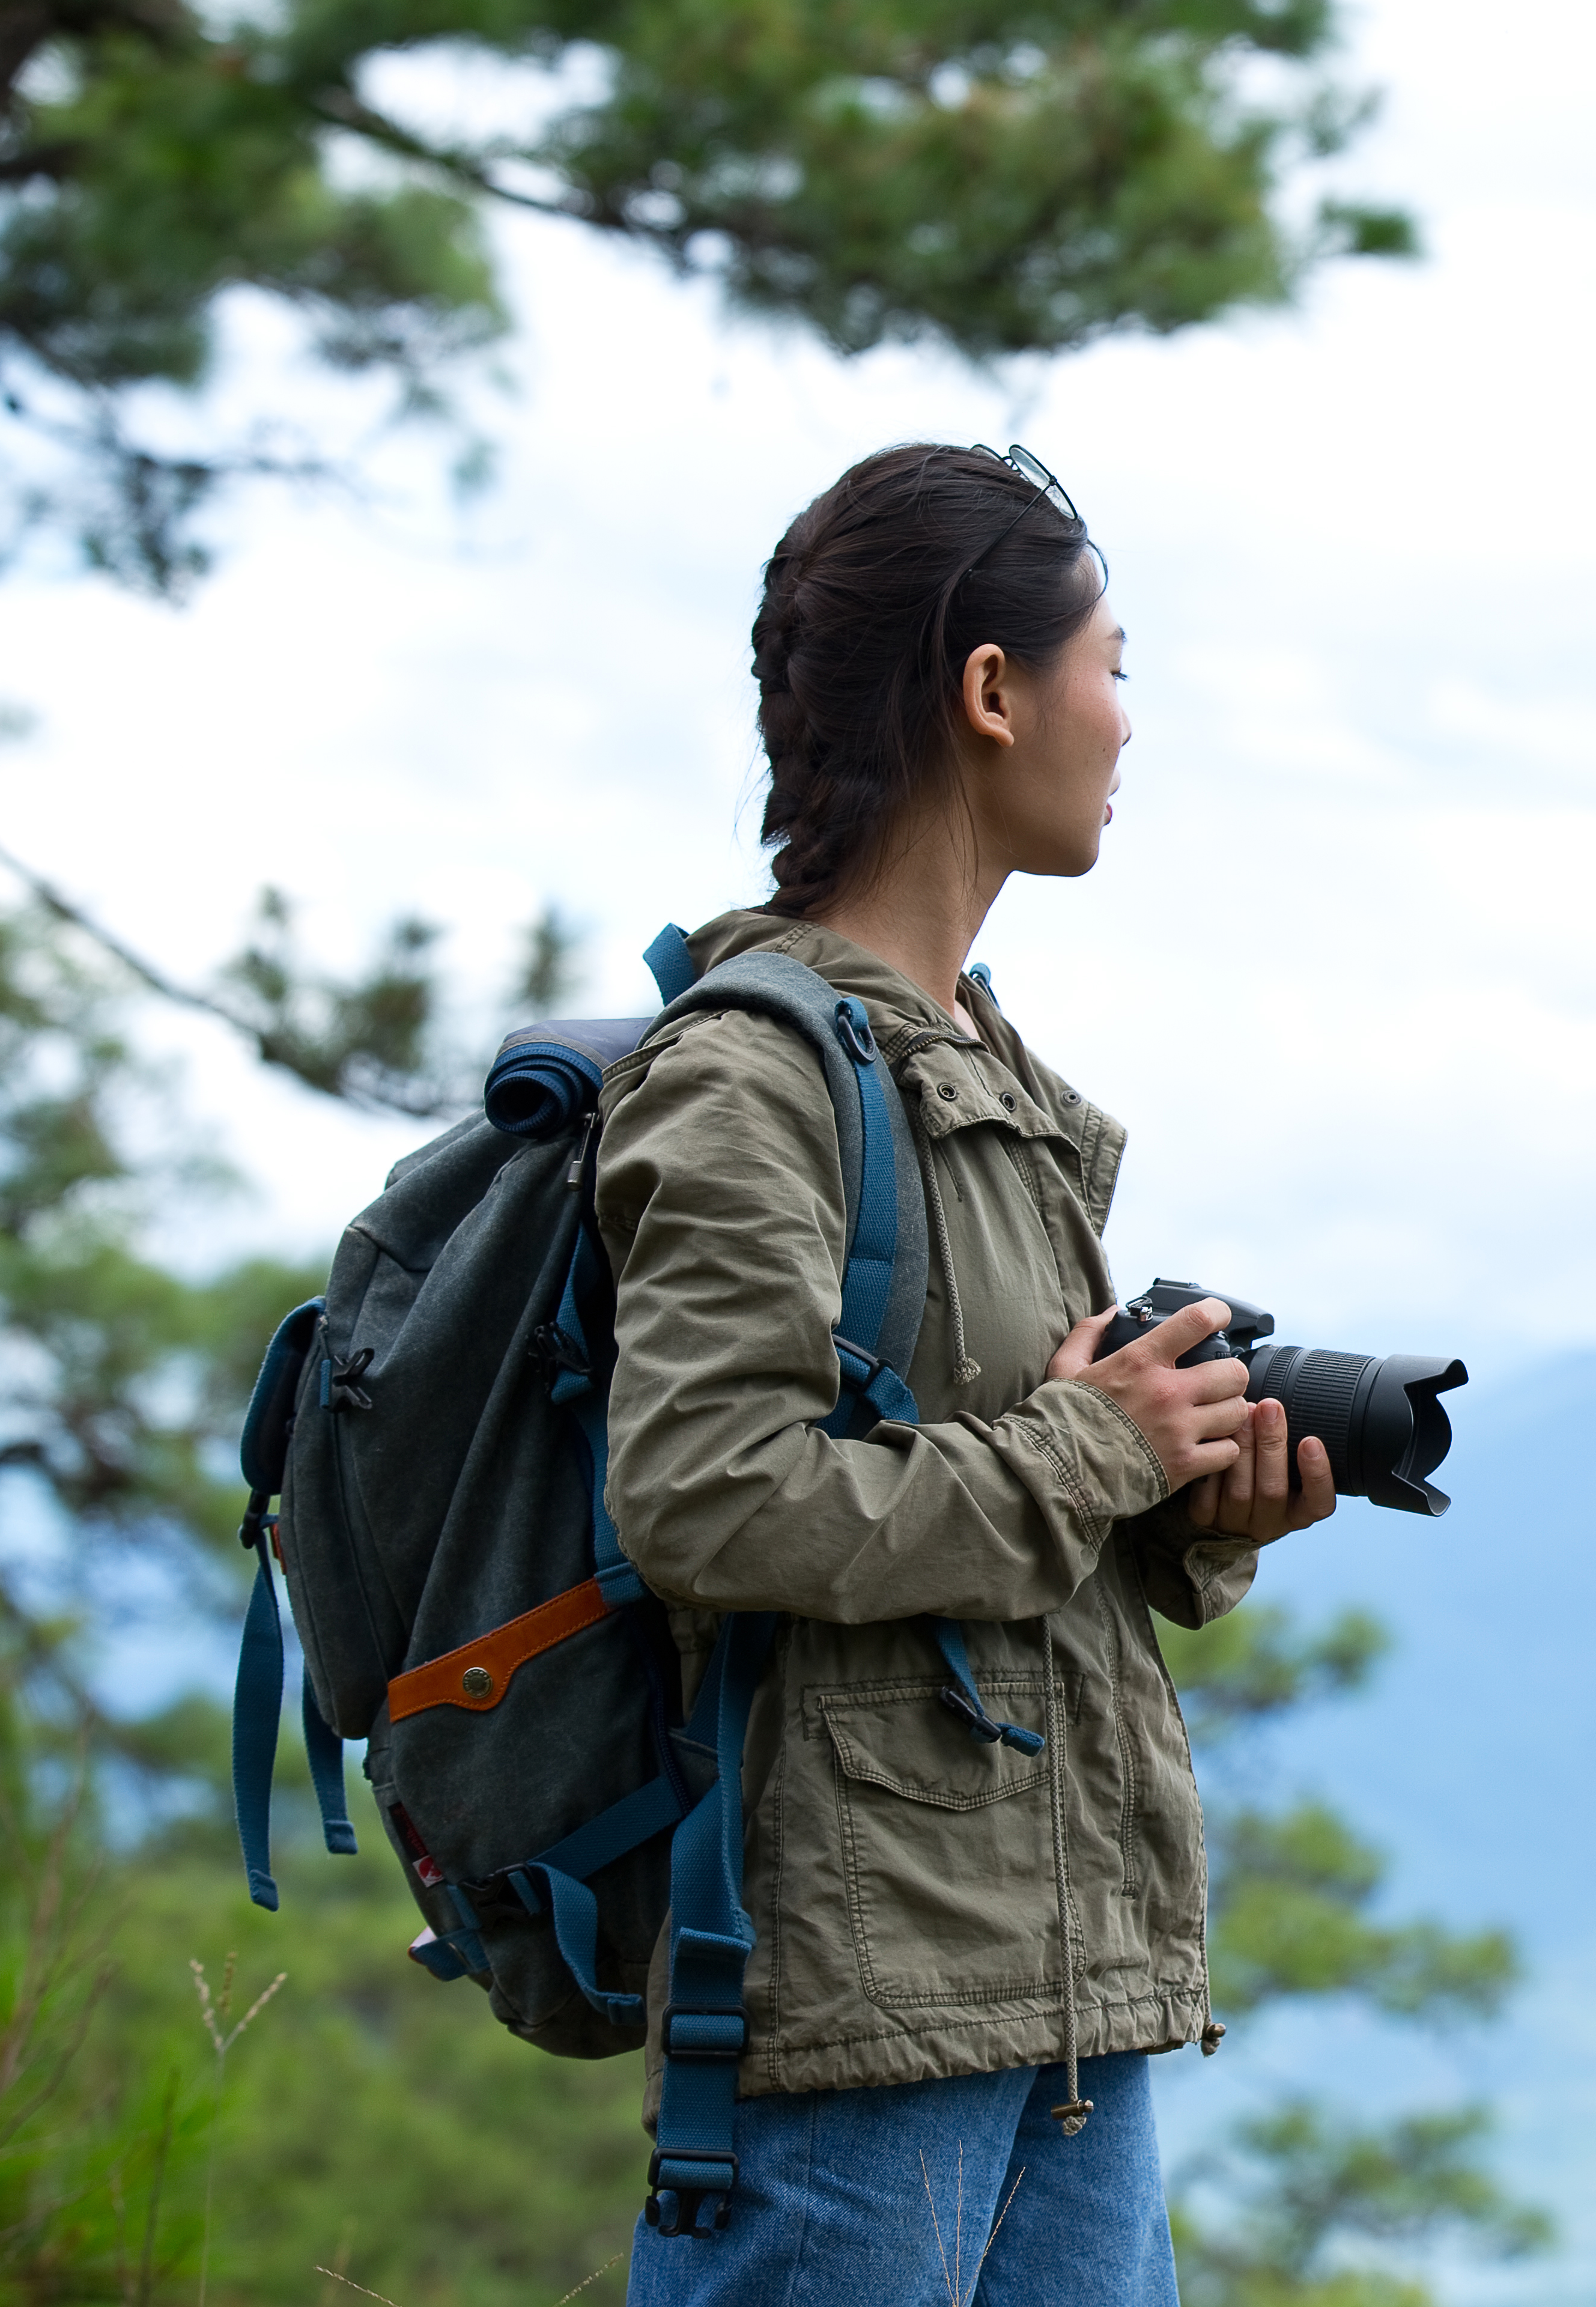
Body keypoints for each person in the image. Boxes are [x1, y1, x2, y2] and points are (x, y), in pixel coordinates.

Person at [595, 442, 1334, 2305]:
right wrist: (1091, 1450)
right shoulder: (755, 1078)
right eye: (1112, 664)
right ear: (990, 692)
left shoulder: (972, 1073)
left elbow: (1015, 1488)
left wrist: (1184, 1501)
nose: (1129, 722)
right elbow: (704, 1494)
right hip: (856, 2005)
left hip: (1059, 1991)